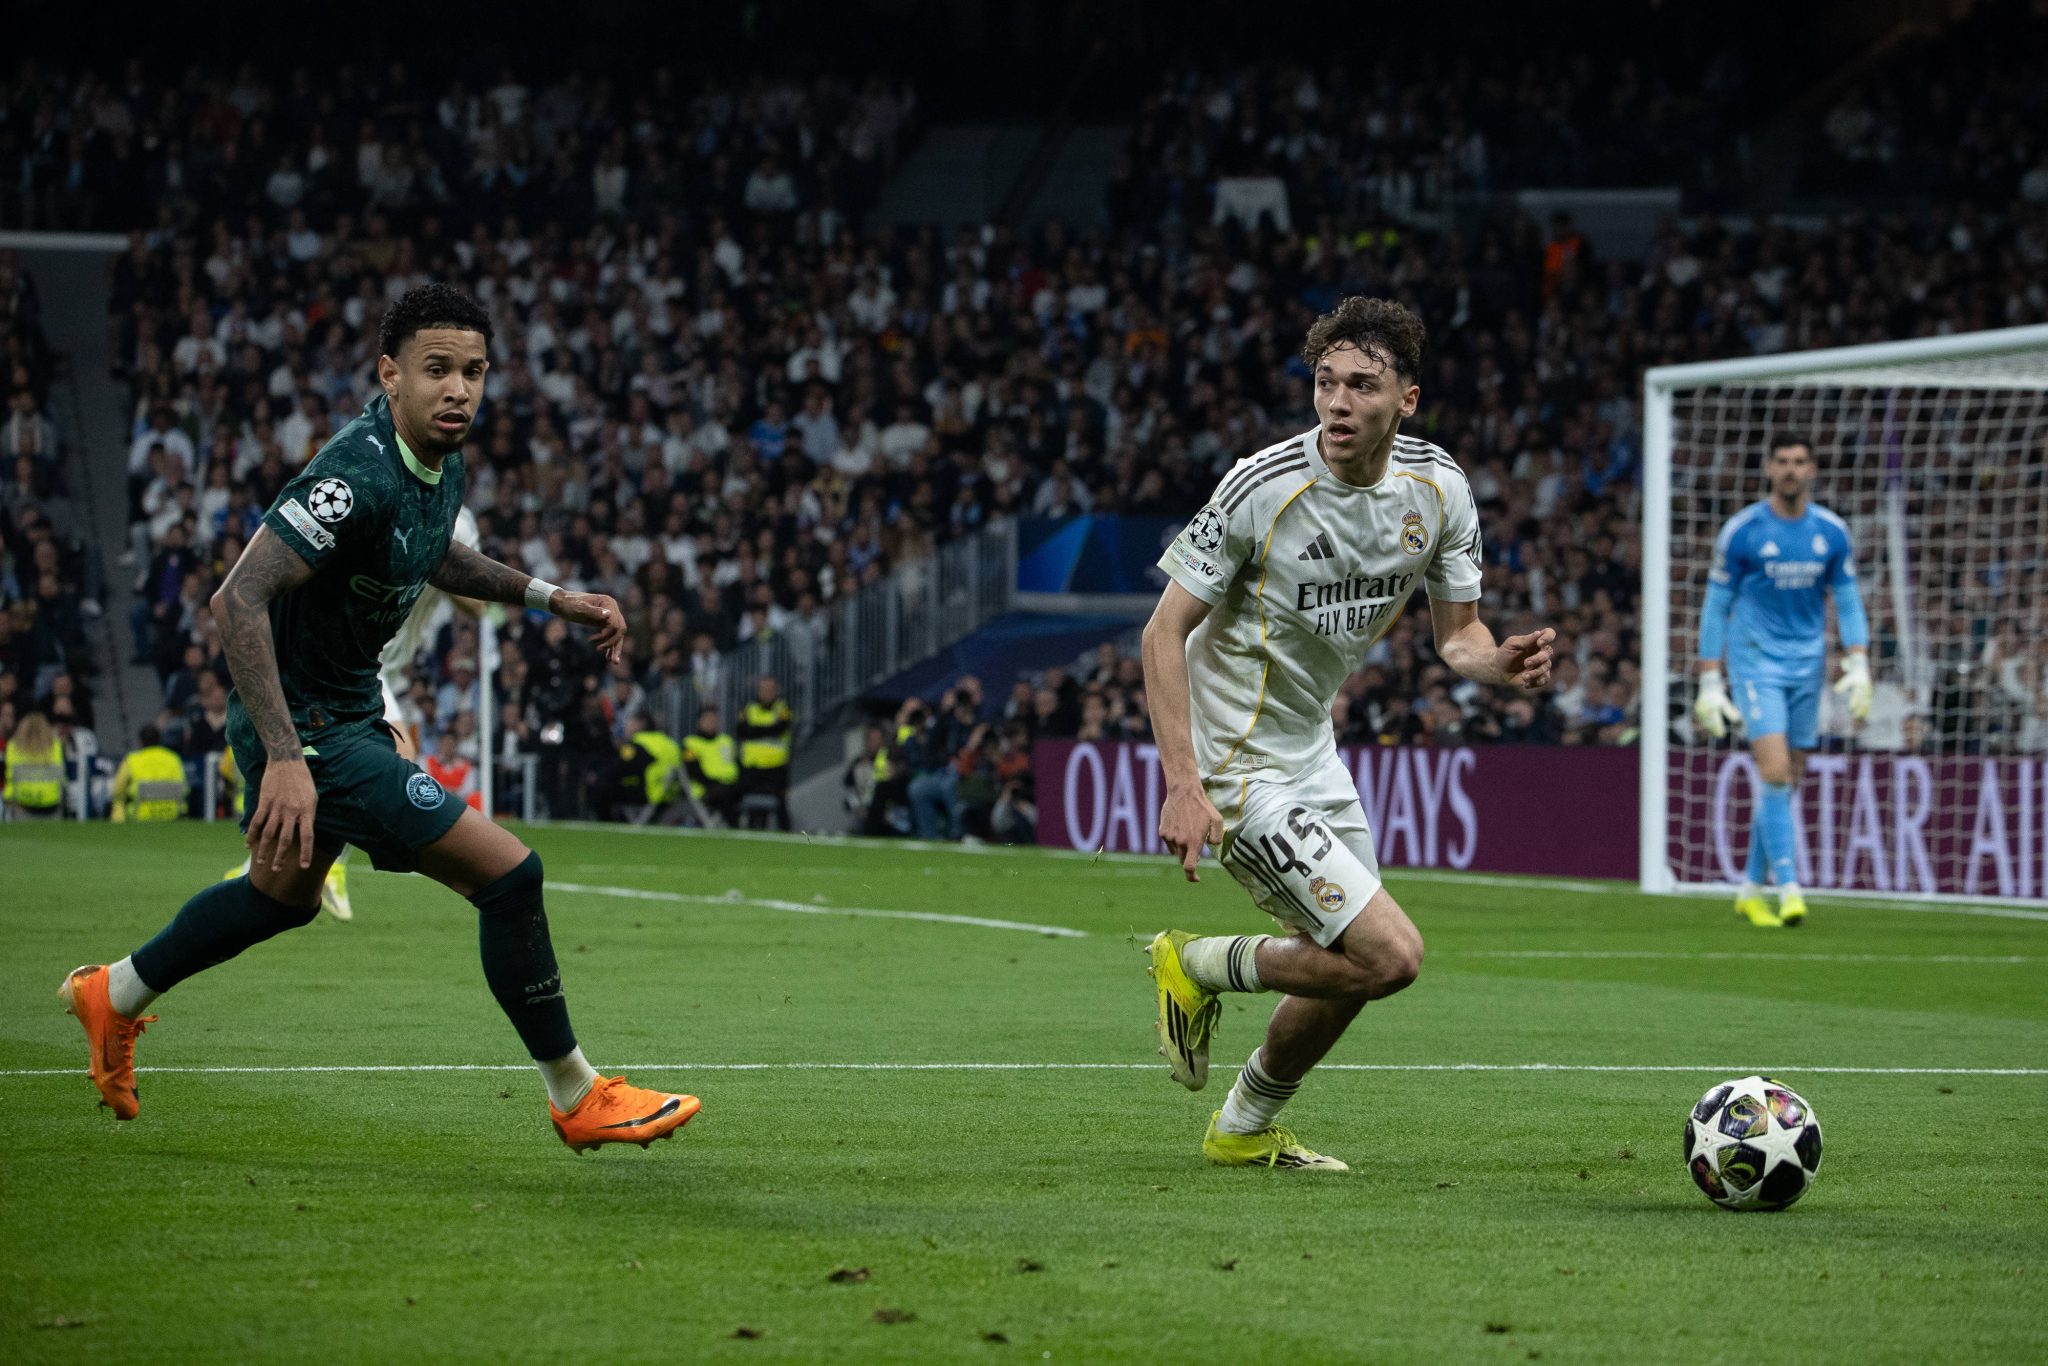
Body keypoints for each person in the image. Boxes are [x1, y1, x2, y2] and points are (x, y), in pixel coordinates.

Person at [58, 284, 698, 1152]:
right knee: (510, 876)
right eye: (438, 370)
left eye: (474, 371)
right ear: (389, 374)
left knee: (280, 898)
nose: (459, 390)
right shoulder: (354, 472)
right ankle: (577, 1093)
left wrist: (555, 598)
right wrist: (287, 757)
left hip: (349, 711)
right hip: (310, 729)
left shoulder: (439, 455)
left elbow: (437, 554)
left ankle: (117, 993)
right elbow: (235, 599)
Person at [1141, 297, 1556, 1171]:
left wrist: (1498, 664)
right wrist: (1184, 782)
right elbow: (1160, 632)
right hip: (1236, 765)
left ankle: (1243, 1127)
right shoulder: (1264, 486)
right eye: (1325, 381)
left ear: (1405, 400)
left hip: (1312, 755)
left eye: (1362, 384)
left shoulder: (1438, 488)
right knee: (1392, 954)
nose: (1337, 402)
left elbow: (1457, 636)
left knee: (1355, 967)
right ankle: (1199, 963)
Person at [1693, 433, 1871, 928]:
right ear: (1769, 468)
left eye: (1800, 461)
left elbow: (1849, 601)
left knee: (1789, 778)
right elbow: (1717, 606)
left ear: (1812, 469)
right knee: (1773, 772)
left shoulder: (1831, 532)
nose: (1791, 469)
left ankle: (1750, 890)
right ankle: (1790, 888)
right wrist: (1710, 678)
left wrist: (1859, 661)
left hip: (1808, 667)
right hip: (1756, 663)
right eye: (1783, 462)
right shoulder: (1743, 531)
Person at [736, 672, 794, 829]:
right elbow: (742, 730)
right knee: (752, 808)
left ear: (777, 690)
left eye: (770, 689)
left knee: (781, 806)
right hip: (752, 766)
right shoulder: (749, 708)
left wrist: (755, 730)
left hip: (776, 767)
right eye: (763, 689)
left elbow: (780, 728)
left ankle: (787, 841)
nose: (766, 692)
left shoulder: (783, 708)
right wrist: (768, 729)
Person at [112, 723, 188, 822]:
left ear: (141, 741)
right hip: (171, 813)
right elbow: (184, 788)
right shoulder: (173, 758)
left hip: (140, 813)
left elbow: (118, 790)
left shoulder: (131, 760)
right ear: (159, 739)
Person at [681, 705, 740, 826]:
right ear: (699, 722)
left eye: (713, 720)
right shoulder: (691, 743)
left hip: (729, 784)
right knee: (725, 794)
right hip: (704, 787)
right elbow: (693, 770)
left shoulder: (726, 741)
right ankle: (734, 826)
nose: (710, 723)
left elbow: (736, 764)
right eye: (707, 719)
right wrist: (713, 783)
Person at [4, 709, 64, 817]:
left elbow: (10, 778)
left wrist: (7, 799)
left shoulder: (13, 746)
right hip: (52, 805)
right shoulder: (56, 746)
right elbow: (61, 777)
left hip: (23, 805)